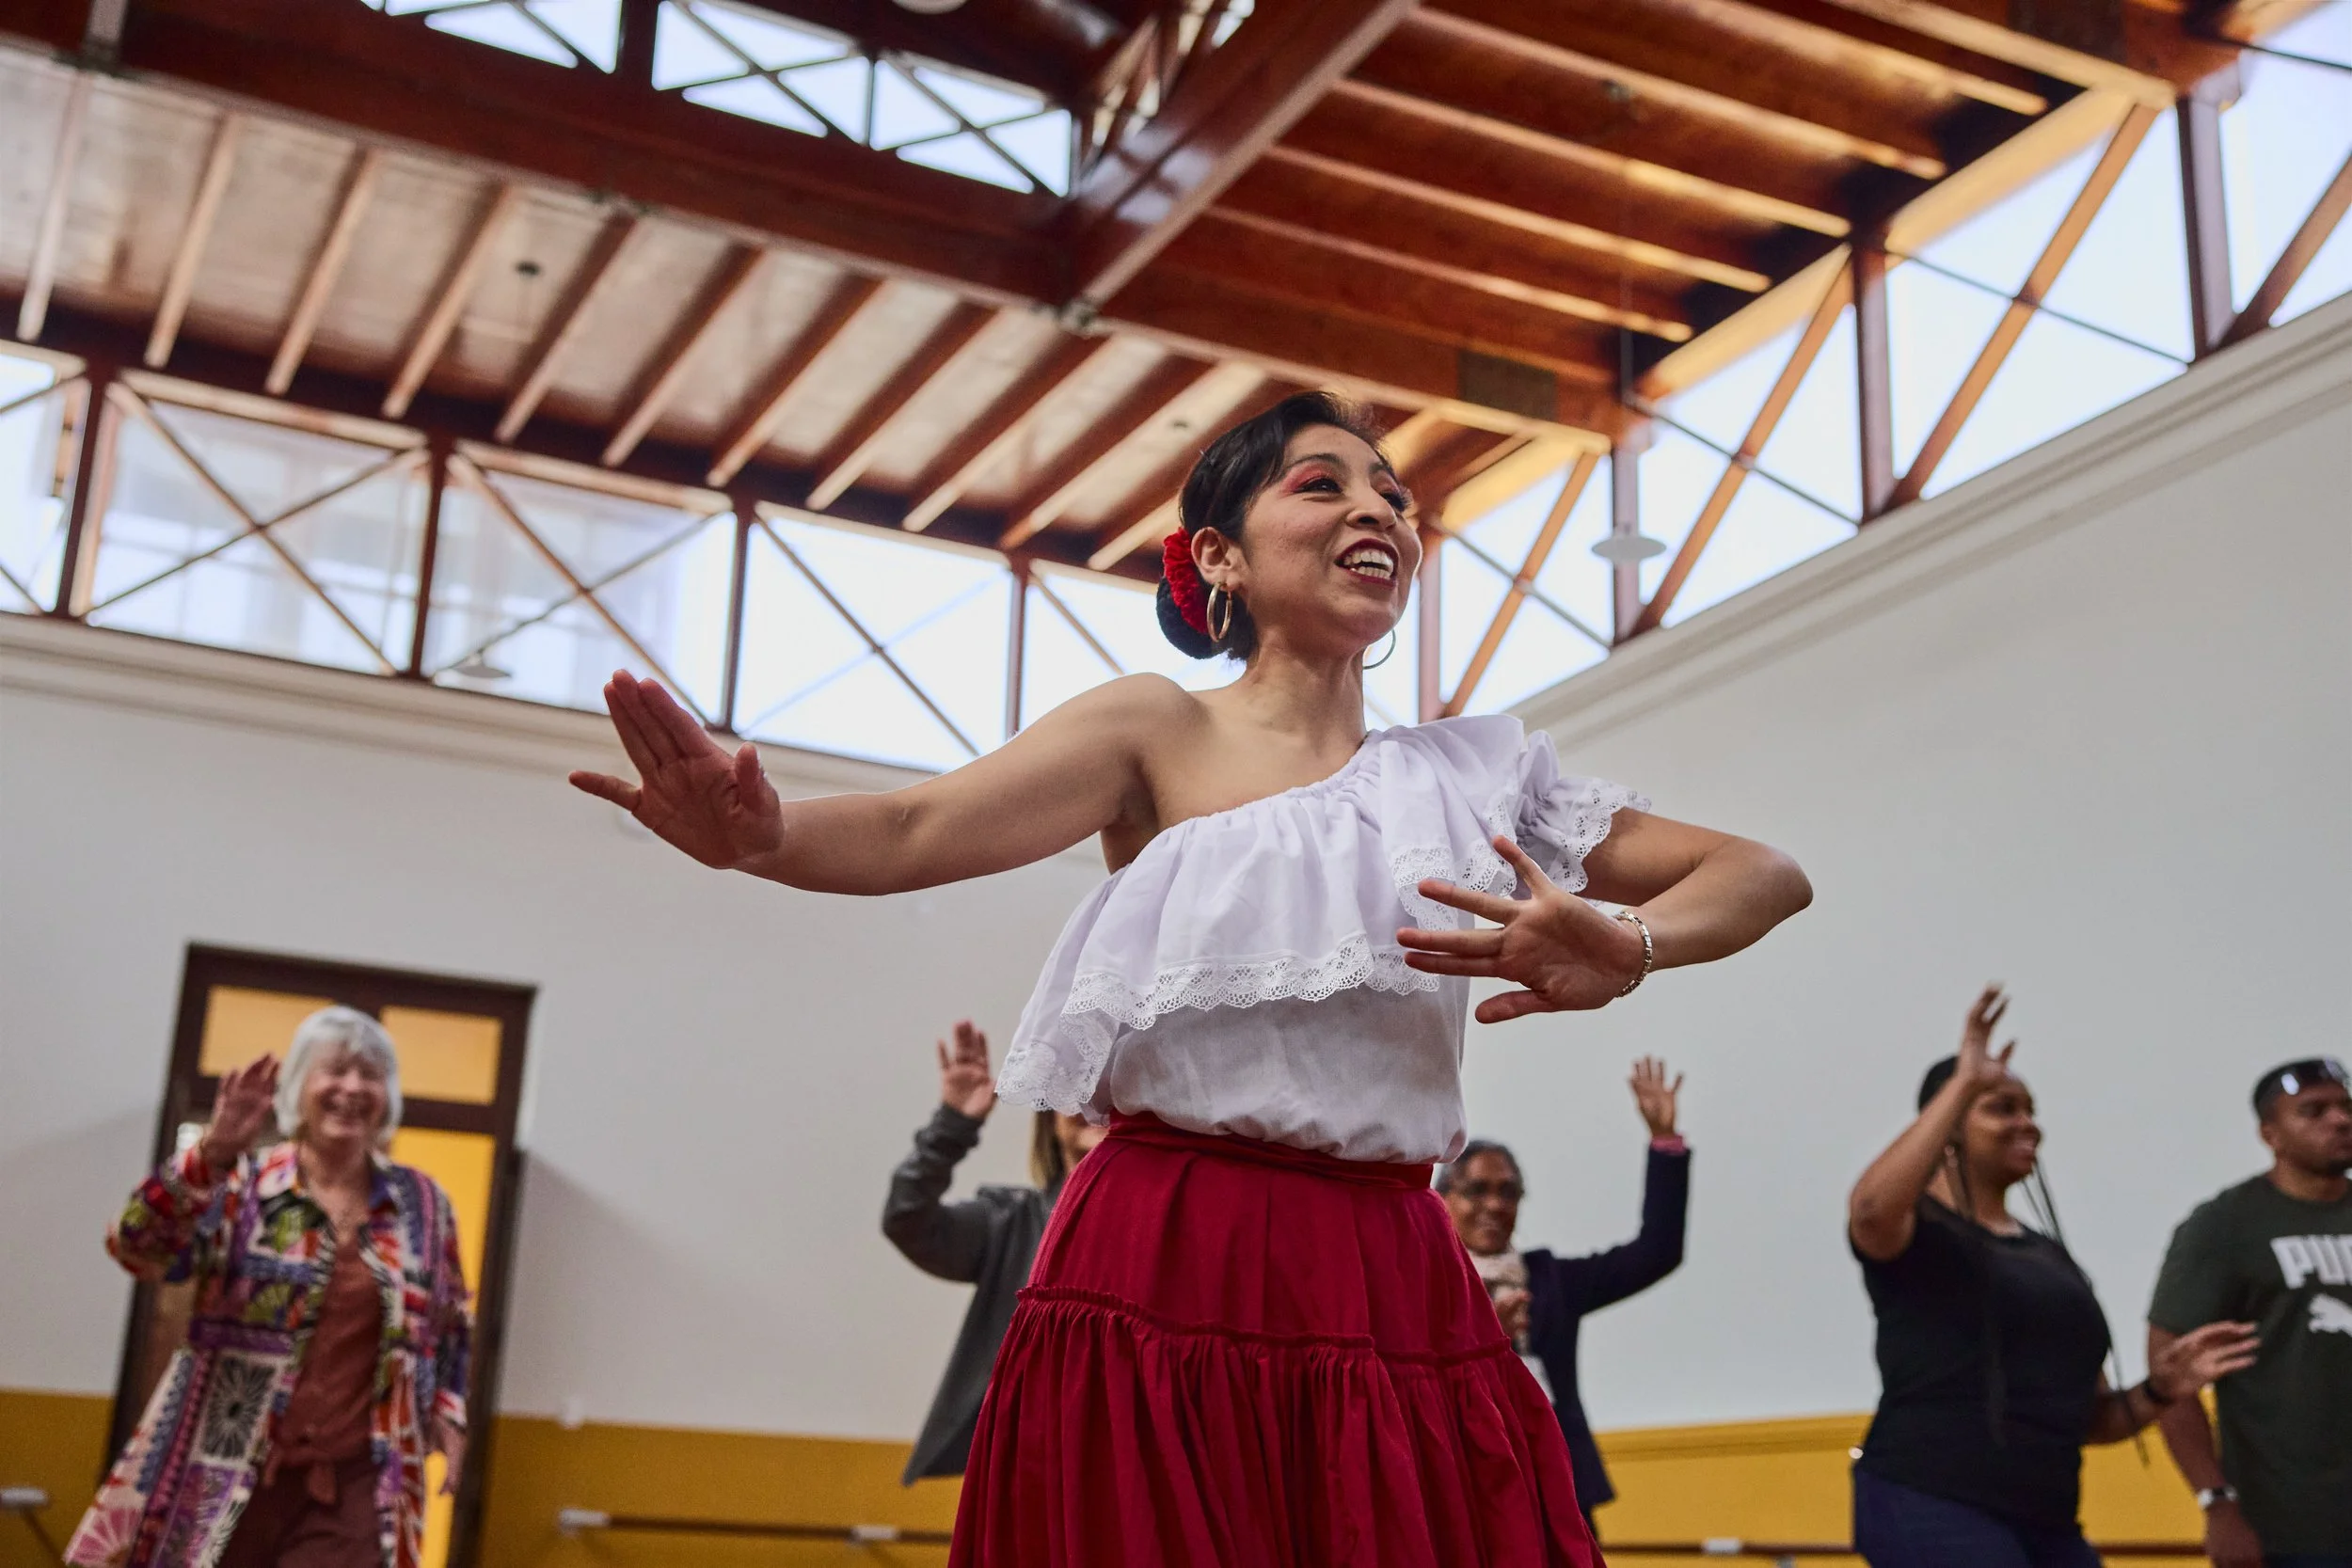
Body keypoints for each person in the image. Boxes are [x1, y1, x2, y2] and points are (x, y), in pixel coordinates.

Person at [569, 390, 1813, 1565]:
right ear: (1219, 556)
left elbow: (1761, 870)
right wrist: (761, 838)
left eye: (1395, 495)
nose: (1378, 511)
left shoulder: (1476, 772)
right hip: (1164, 1248)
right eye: (1323, 485)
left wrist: (1635, 942)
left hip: (1391, 1265)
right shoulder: (1154, 727)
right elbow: (910, 829)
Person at [1845, 986, 2258, 1568]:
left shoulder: (2047, 1257)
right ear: (1949, 1127)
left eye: (2029, 1108)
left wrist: (2161, 1388)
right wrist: (1964, 1080)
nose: (2028, 1124)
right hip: (1929, 1498)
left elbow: (2092, 1420)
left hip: (2047, 1520)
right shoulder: (1920, 1234)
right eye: (2002, 1107)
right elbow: (1868, 1211)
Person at [67, 1007, 471, 1568]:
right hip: (224, 1463)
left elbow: (451, 1322)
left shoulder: (422, 1205)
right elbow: (136, 1247)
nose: (352, 1088)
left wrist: (449, 1413)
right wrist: (209, 1155)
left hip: (358, 1480)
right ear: (300, 1084)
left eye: (370, 1075)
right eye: (335, 1071)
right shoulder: (244, 1183)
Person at [1438, 1057, 1692, 1531]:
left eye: (1509, 1192)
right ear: (1442, 1199)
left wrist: (1664, 1143)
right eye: (1477, 1190)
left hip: (1558, 1488)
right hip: (1464, 1487)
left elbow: (1656, 1253)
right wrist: (1484, 1334)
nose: (1495, 1204)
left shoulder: (1548, 1279)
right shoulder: (1426, 1287)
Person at [2148, 1056, 2352, 1568]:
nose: (2340, 1120)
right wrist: (2216, 1503)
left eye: (2346, 1108)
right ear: (2270, 1134)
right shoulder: (2225, 1227)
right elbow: (2171, 1373)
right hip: (2290, 1526)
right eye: (2314, 1111)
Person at [884, 1019, 1104, 1484]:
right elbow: (908, 1219)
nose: (1089, 1101)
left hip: (1116, 1463)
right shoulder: (1009, 1223)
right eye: (1073, 1087)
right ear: (1047, 1115)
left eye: (1106, 1089)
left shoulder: (1163, 1229)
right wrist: (952, 1125)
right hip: (1018, 1467)